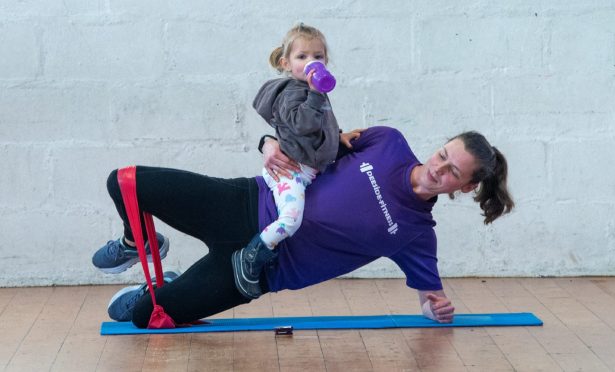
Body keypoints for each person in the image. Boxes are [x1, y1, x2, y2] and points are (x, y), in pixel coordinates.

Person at [93, 125, 514, 327]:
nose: (439, 168)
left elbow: (429, 296)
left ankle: (163, 285)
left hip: (254, 273)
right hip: (243, 203)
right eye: (442, 154)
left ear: (466, 186)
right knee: (124, 182)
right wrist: (269, 142)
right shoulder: (387, 142)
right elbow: (315, 140)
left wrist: (434, 308)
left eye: (453, 171)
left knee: (146, 317)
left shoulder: (418, 234)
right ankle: (138, 243)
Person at [232, 23, 361, 300]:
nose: (311, 62)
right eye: (302, 57)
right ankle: (250, 256)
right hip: (290, 173)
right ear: (286, 63)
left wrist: (339, 136)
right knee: (290, 221)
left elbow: (317, 129)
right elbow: (301, 125)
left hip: (306, 170)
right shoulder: (294, 91)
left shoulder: (312, 92)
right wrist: (315, 93)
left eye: (318, 56)